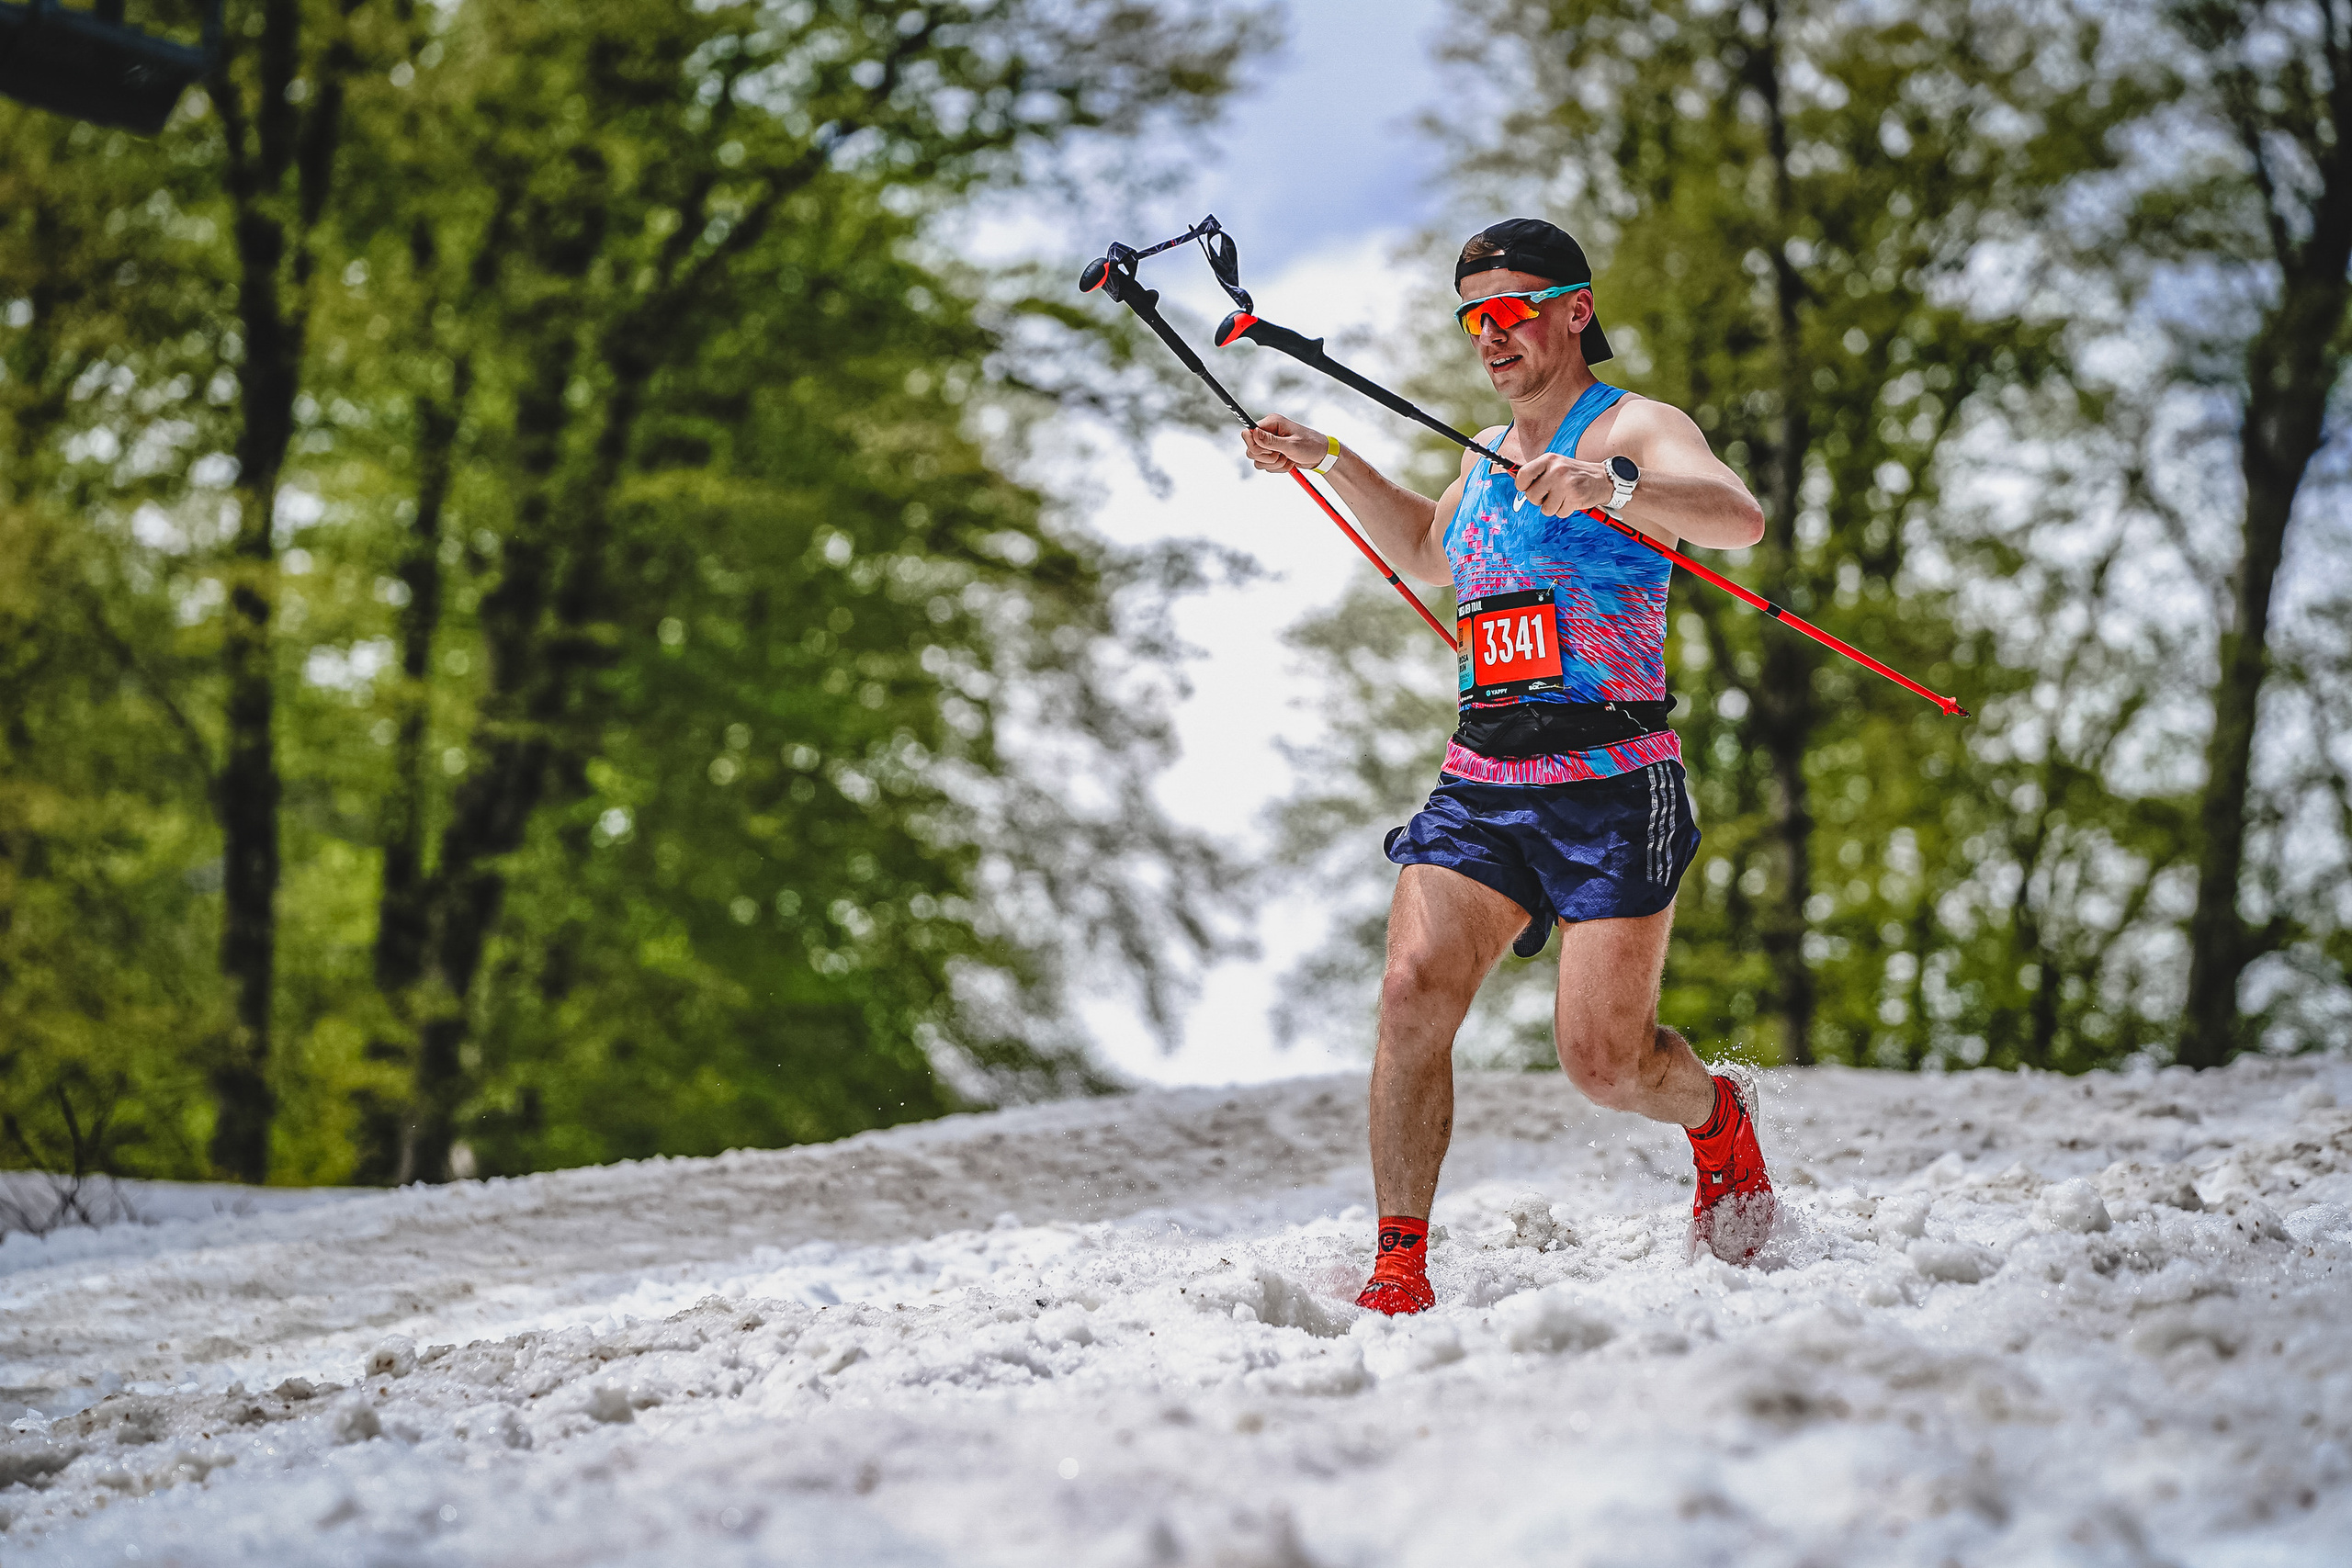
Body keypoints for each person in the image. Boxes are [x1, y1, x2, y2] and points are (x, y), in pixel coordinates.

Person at [1241, 219, 1778, 1314]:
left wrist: (1609, 487)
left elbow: (1739, 519)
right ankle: (1399, 1263)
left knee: (1604, 1065)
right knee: (1408, 992)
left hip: (1610, 778)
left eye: (1511, 311)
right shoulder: (1485, 451)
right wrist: (1327, 459)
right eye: (1473, 318)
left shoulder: (1630, 426)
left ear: (1574, 311)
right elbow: (1429, 554)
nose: (1491, 335)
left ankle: (1717, 1121)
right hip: (1484, 779)